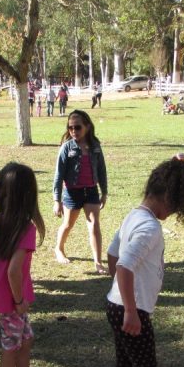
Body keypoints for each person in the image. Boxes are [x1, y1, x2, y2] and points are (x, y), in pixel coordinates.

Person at [104, 157, 184, 367]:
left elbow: (112, 254)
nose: (174, 212)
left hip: (117, 303)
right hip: (131, 309)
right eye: (176, 205)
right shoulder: (150, 227)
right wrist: (130, 309)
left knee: (125, 363)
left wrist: (119, 294)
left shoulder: (134, 215)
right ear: (168, 198)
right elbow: (124, 265)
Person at [0, 162, 52, 367]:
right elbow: (13, 271)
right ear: (28, 195)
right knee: (10, 348)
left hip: (5, 297)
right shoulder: (26, 228)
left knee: (26, 340)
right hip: (12, 300)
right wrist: (19, 300)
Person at [53, 110, 108, 274]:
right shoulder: (66, 148)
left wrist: (104, 192)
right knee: (68, 224)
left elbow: (102, 170)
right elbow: (58, 175)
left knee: (94, 225)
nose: (73, 131)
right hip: (72, 192)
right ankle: (59, 248)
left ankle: (98, 262)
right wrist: (57, 200)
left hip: (91, 191)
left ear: (87, 127)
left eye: (77, 127)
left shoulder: (95, 146)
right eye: (70, 128)